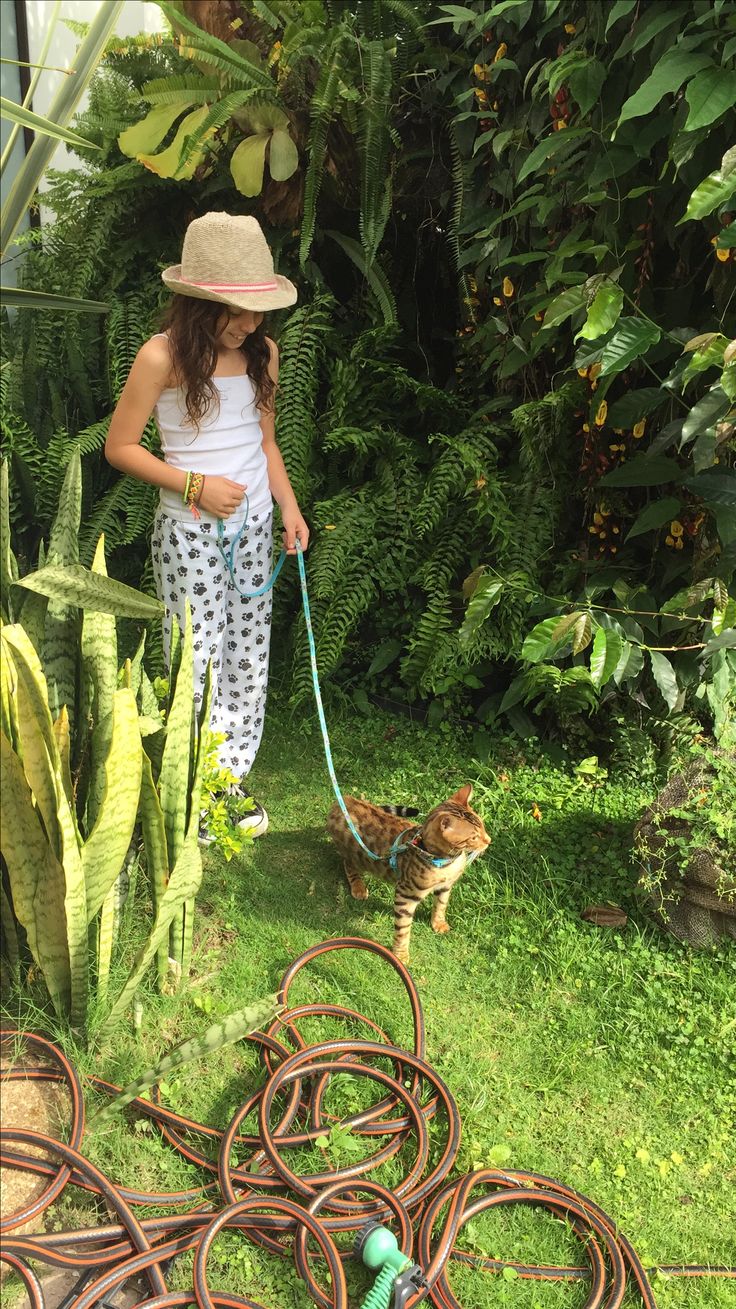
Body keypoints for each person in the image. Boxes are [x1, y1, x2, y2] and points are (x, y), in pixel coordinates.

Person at [106, 211, 309, 838]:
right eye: (238, 311)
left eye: (258, 311)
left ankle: (230, 777)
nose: (252, 324)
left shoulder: (261, 355)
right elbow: (120, 447)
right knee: (197, 657)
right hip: (190, 534)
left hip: (252, 530)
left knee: (248, 653)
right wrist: (197, 486)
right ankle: (190, 779)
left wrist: (290, 508)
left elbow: (266, 444)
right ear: (198, 303)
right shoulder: (160, 357)